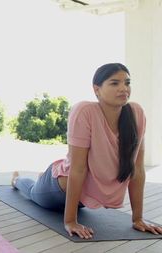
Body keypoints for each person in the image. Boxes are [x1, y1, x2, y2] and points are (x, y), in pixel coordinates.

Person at [11, 63, 162, 239]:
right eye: (114, 83)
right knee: (31, 192)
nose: (124, 88)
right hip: (58, 190)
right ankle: (17, 179)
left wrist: (138, 219)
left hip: (83, 200)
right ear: (96, 89)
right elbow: (78, 168)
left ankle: (40, 175)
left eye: (127, 83)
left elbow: (137, 169)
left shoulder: (136, 113)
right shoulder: (84, 111)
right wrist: (70, 221)